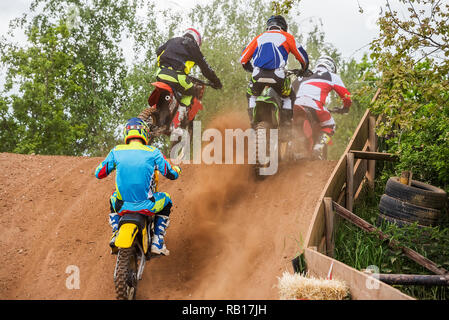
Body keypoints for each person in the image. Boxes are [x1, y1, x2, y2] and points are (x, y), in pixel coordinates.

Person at [95, 117, 181, 256]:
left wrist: (113, 165)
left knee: (113, 197)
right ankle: (157, 242)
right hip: (147, 205)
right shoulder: (153, 152)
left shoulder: (116, 151)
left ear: (126, 134)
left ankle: (116, 231)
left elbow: (99, 173)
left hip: (122, 206)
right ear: (144, 133)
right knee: (166, 199)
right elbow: (170, 173)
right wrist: (177, 169)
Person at [239, 15, 309, 124]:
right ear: (283, 26)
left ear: (269, 26)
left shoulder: (259, 37)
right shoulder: (287, 36)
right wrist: (304, 69)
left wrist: (250, 69)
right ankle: (286, 126)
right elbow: (303, 57)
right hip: (278, 77)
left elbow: (243, 59)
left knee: (252, 95)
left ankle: (253, 123)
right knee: (288, 97)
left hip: (257, 76)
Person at [293, 55, 352, 158]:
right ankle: (318, 146)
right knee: (330, 125)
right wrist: (345, 108)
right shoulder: (331, 76)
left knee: (288, 125)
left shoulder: (304, 76)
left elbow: (291, 90)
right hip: (314, 105)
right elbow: (346, 96)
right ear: (331, 67)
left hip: (296, 105)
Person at [154, 27, 222, 108]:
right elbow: (206, 69)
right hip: (178, 78)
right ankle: (181, 115)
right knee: (192, 92)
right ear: (197, 40)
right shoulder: (194, 47)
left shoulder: (172, 40)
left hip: (160, 73)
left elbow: (158, 51)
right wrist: (216, 82)